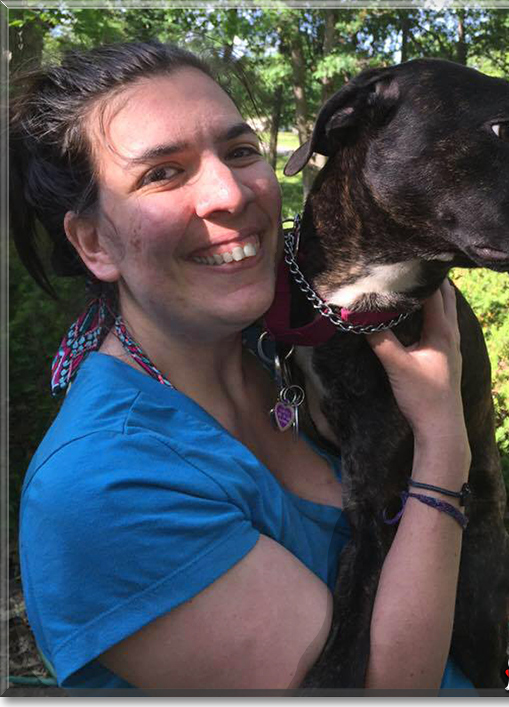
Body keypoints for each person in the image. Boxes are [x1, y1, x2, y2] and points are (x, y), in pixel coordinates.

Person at [11, 41, 473, 691]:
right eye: (162, 174)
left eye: (240, 151)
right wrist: (443, 445)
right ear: (94, 241)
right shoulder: (101, 487)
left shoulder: (278, 343)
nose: (230, 193)